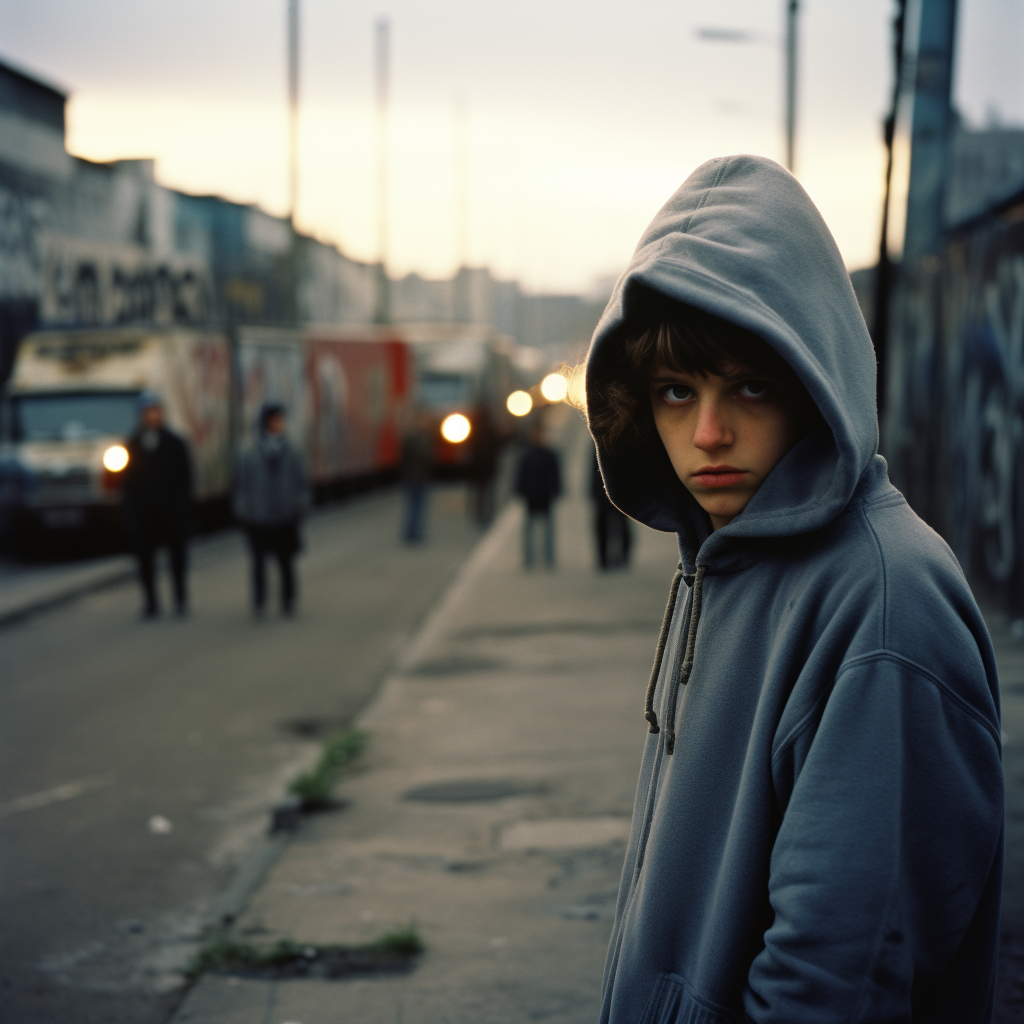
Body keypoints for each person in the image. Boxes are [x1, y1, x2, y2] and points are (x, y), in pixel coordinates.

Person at [585, 156, 1003, 1023]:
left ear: (814, 383)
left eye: (748, 385)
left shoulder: (885, 604)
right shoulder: (726, 561)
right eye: (674, 392)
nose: (706, 433)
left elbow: (838, 978)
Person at [233, 403, 310, 615]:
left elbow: (301, 481)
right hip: (258, 515)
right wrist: (241, 509)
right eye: (275, 420)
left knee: (286, 561)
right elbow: (241, 483)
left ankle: (288, 601)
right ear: (265, 422)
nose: (279, 424)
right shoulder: (248, 452)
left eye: (281, 420)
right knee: (258, 562)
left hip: (285, 514)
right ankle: (259, 601)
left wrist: (301, 503)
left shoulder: (292, 450)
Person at [122, 391, 193, 618]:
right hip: (145, 514)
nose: (152, 416)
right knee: (145, 561)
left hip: (171, 512)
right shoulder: (132, 445)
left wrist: (183, 509)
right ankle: (151, 602)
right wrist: (132, 512)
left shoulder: (175, 443)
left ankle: (180, 600)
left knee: (177, 559)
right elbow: (127, 483)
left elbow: (186, 480)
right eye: (147, 412)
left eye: (156, 411)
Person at [515, 420, 561, 568]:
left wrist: (556, 490)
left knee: (548, 530)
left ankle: (549, 558)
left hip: (545, 496)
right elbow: (520, 475)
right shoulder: (527, 455)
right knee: (529, 530)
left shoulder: (549, 454)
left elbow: (556, 474)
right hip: (531, 496)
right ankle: (529, 558)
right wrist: (520, 491)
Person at [590, 446, 632, 569]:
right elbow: (593, 470)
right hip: (603, 494)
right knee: (602, 527)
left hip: (618, 492)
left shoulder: (619, 444)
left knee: (622, 526)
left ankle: (622, 557)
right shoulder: (596, 445)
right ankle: (604, 559)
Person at [400, 409, 433, 543]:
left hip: (415, 476)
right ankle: (413, 533)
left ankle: (412, 532)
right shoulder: (420, 438)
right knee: (416, 506)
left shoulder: (414, 437)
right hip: (417, 477)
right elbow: (425, 457)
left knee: (414, 506)